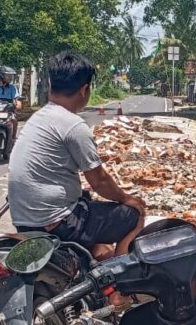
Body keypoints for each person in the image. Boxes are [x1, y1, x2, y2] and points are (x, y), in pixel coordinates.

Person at [8, 51, 145, 264]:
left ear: (51, 84)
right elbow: (99, 181)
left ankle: (94, 260)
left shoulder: (38, 118)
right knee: (133, 214)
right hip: (58, 222)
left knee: (87, 202)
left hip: (24, 221)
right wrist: (127, 199)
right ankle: (120, 288)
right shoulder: (73, 125)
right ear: (85, 89)